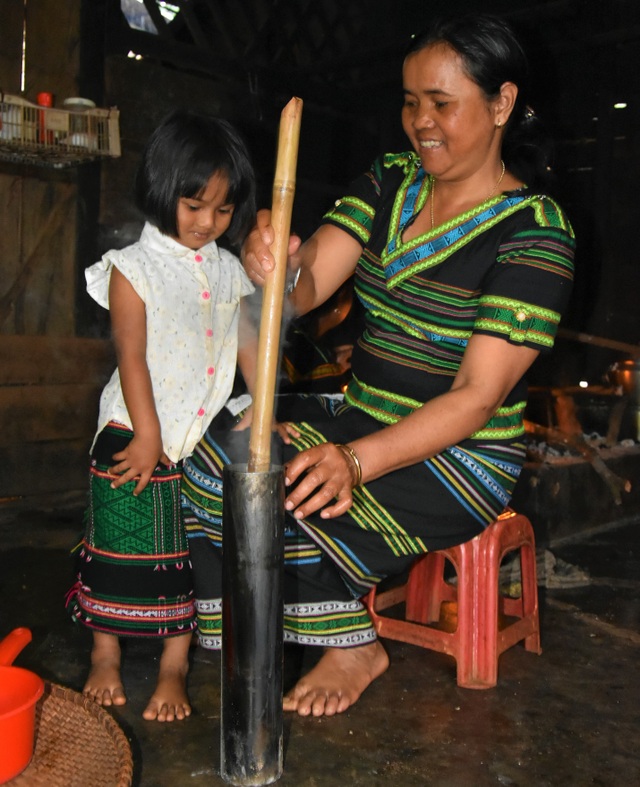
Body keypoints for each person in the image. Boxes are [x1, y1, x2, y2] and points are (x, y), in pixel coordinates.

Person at [182, 13, 576, 717]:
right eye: (409, 100)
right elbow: (303, 294)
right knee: (215, 464)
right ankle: (299, 623)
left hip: (458, 454)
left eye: (441, 103)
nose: (419, 122)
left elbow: (477, 396)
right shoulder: (390, 180)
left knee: (285, 503)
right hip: (358, 412)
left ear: (501, 104)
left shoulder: (534, 232)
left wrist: (356, 461)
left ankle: (351, 642)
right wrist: (270, 267)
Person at [66, 109, 258, 722]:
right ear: (162, 189)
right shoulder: (133, 269)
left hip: (191, 437)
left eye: (224, 211)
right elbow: (131, 358)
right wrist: (147, 435)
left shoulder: (229, 271)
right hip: (133, 431)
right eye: (195, 205)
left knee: (179, 561)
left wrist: (260, 405)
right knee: (120, 549)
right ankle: (105, 655)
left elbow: (248, 340)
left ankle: (174, 668)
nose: (208, 223)